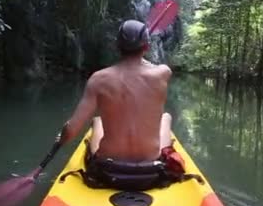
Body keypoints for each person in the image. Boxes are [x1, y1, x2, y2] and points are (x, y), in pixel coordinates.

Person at [56, 19, 185, 190]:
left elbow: (71, 131)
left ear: (117, 47)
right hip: (150, 169)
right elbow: (152, 66)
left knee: (97, 121)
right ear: (146, 47)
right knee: (166, 117)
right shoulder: (162, 73)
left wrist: (61, 138)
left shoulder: (98, 79)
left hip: (109, 170)